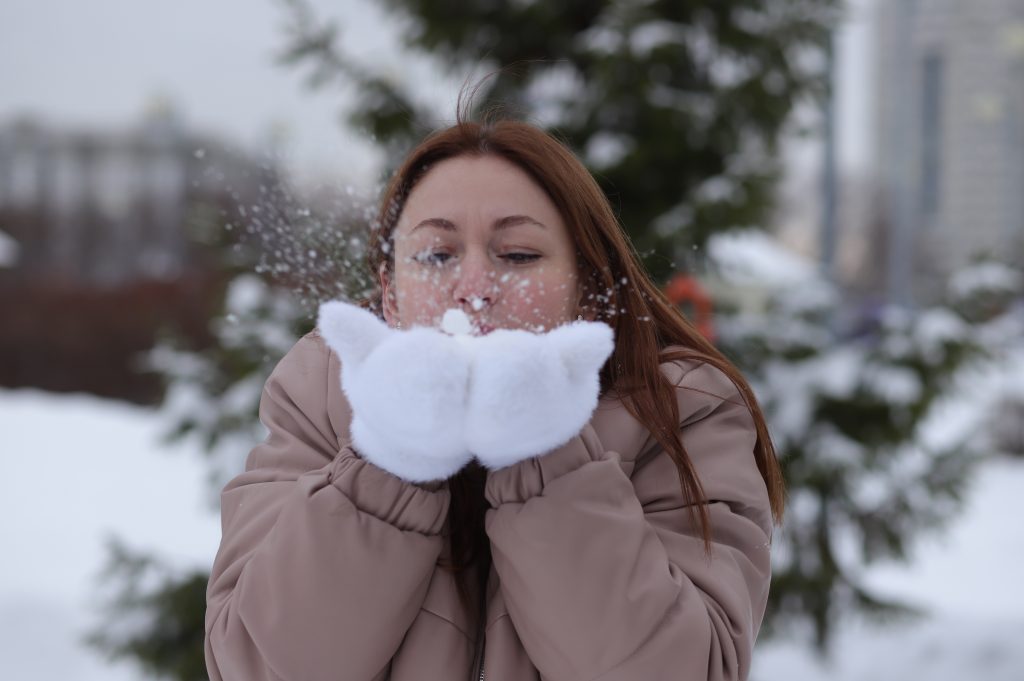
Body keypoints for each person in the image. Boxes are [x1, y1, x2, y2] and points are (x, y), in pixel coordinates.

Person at [204, 112, 785, 681]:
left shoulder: (681, 411)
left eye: (518, 256)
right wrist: (392, 456)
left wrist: (545, 447)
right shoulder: (321, 396)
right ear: (390, 294)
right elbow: (258, 668)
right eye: (437, 255)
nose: (474, 290)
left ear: (585, 289)